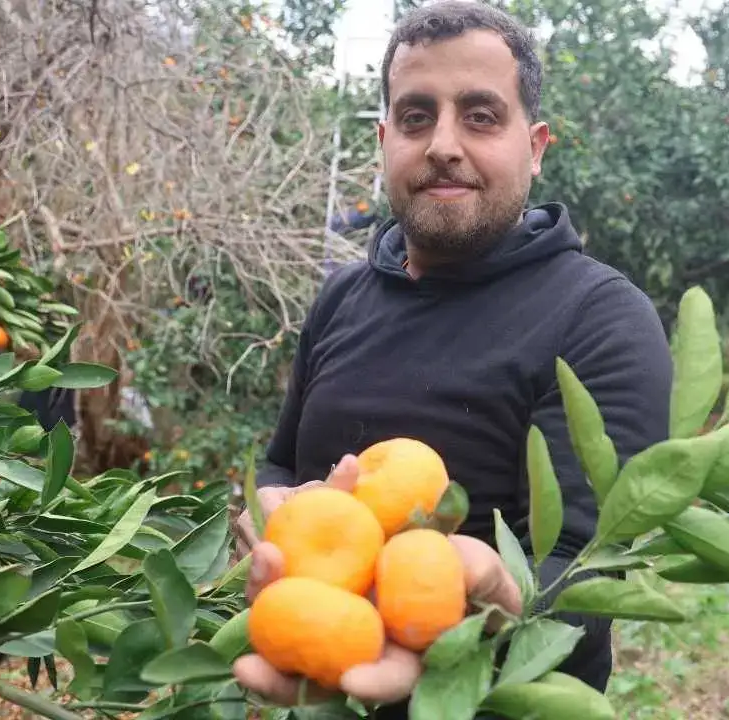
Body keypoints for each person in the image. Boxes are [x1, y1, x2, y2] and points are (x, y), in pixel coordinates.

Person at [230, 0, 674, 715]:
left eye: (480, 115)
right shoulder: (342, 297)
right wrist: (273, 511)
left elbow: (594, 566)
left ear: (535, 146)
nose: (442, 143)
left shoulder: (597, 317)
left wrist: (494, 603)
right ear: (383, 141)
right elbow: (285, 461)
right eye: (415, 116)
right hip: (320, 675)